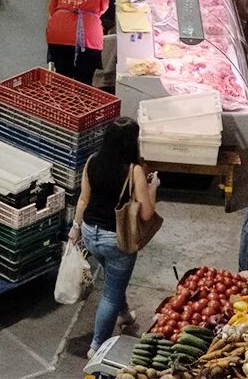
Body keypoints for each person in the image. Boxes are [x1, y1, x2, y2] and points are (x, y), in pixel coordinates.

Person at [68, 117, 157, 356]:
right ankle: (97, 347)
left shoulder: (92, 161)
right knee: (109, 294)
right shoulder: (134, 170)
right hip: (117, 239)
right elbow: (147, 214)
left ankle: (124, 314)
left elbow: (84, 199)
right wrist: (153, 187)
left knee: (112, 279)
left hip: (89, 233)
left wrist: (75, 228)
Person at [47, 0, 110, 86]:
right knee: (84, 81)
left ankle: (62, 103)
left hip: (59, 33)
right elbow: (103, 8)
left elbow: (52, 10)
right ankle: (81, 103)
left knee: (63, 78)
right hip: (89, 36)